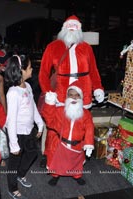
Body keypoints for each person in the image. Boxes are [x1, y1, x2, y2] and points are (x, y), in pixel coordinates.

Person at [38, 15, 104, 168]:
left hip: (83, 94)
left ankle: (77, 159)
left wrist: (98, 87)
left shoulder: (86, 48)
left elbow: (93, 70)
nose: (72, 29)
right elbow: (43, 73)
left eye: (75, 27)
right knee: (53, 127)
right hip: (60, 94)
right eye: (70, 26)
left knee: (80, 126)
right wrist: (48, 92)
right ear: (64, 28)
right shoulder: (53, 47)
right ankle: (49, 154)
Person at [4, 54, 44, 199]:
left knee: (32, 153)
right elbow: (11, 119)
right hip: (17, 132)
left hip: (28, 130)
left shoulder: (27, 86)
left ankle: (21, 175)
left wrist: (40, 124)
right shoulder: (13, 92)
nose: (32, 69)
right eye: (29, 67)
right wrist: (13, 144)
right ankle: (12, 187)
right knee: (14, 162)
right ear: (21, 70)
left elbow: (32, 106)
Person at [41, 81, 94, 186]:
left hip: (77, 145)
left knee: (76, 164)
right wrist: (49, 104)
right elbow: (49, 120)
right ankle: (55, 176)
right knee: (57, 162)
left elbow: (89, 128)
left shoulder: (86, 114)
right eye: (71, 95)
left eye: (76, 95)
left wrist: (89, 144)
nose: (74, 98)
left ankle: (77, 176)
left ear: (81, 97)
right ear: (67, 97)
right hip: (61, 144)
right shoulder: (60, 110)